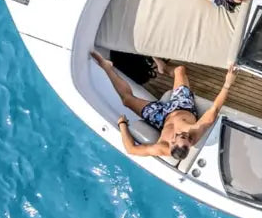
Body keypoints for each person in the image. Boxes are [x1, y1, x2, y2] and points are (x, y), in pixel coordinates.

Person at [90, 51, 237, 160]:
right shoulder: (194, 131)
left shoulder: (162, 148)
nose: (180, 134)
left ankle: (106, 67)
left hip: (161, 118)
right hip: (182, 106)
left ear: (172, 144)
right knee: (180, 70)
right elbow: (214, 109)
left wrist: (122, 125)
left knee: (127, 100)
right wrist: (227, 83)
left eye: (180, 137)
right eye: (185, 136)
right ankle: (164, 67)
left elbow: (131, 149)